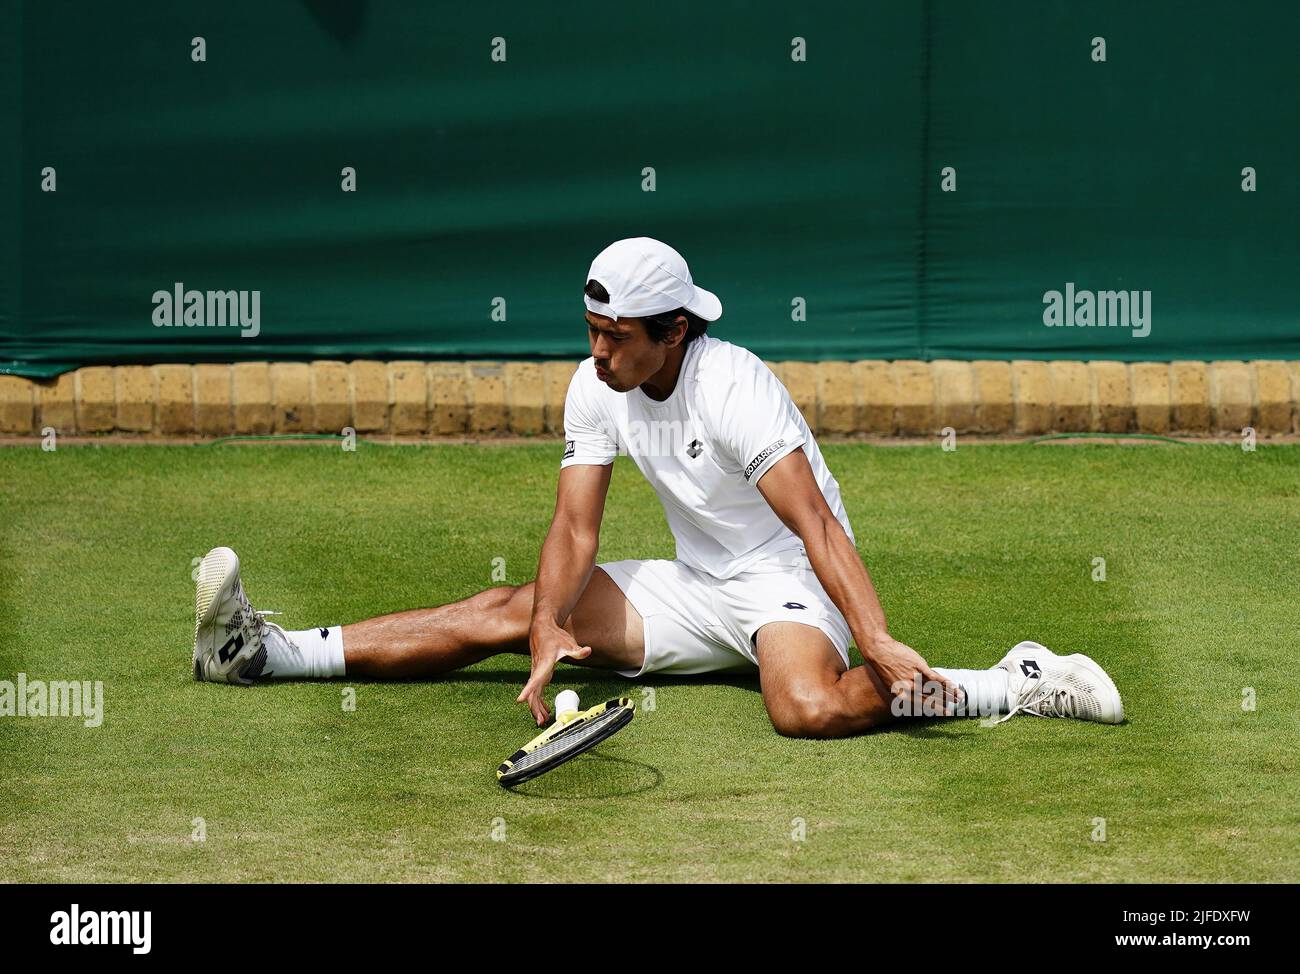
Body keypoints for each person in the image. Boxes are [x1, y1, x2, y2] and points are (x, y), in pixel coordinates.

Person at [191, 237, 1123, 736]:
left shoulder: (735, 388)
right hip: (693, 587)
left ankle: (1010, 681)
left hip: (786, 583)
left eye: (616, 335)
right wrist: (551, 623)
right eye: (591, 329)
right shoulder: (598, 384)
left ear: (673, 330)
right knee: (507, 608)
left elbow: (822, 533)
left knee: (808, 708)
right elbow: (574, 529)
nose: (596, 352)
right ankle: (262, 653)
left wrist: (872, 633)